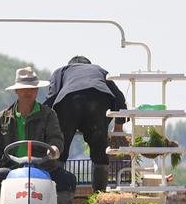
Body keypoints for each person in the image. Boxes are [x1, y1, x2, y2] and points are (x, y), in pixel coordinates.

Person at [0, 66, 77, 204]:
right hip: (12, 168)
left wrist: (54, 149)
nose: (28, 92)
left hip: (44, 168)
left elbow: (56, 138)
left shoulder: (48, 115)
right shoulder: (3, 117)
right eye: (24, 88)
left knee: (68, 180)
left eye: (32, 88)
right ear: (17, 90)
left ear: (37, 90)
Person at [44, 56, 128, 192]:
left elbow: (51, 97)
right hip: (98, 99)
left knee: (59, 149)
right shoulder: (99, 70)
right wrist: (119, 125)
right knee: (100, 154)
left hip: (68, 101)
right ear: (89, 65)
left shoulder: (61, 71)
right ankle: (99, 198)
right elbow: (119, 97)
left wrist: (45, 124)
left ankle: (54, 193)